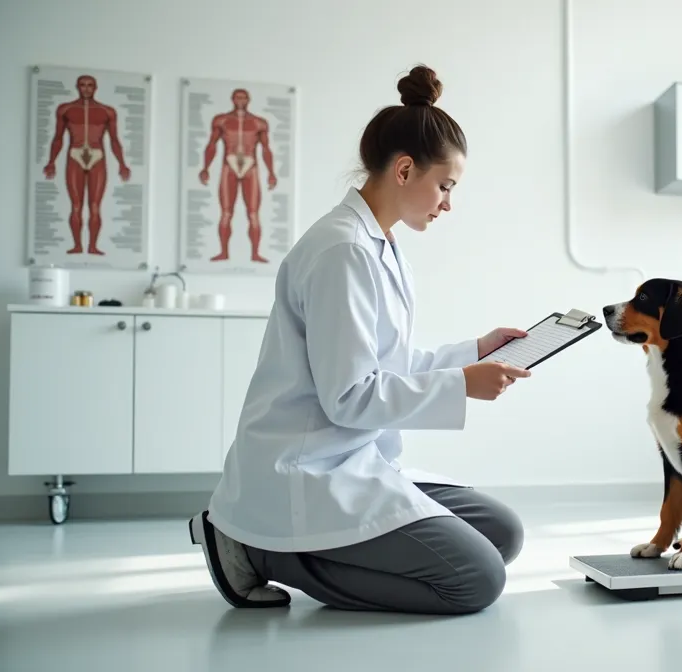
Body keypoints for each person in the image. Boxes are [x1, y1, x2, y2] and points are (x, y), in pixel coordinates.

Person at [188, 64, 532, 615]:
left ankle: (291, 545)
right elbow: (349, 397)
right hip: (303, 469)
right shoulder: (343, 251)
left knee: (503, 533)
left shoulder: (381, 245)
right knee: (475, 581)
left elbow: (389, 363)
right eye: (445, 186)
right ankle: (258, 550)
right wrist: (460, 386)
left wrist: (474, 353)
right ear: (403, 169)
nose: (448, 203)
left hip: (352, 455)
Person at [43, 74, 131, 256]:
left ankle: (92, 246)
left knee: (95, 206)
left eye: (90, 85)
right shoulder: (65, 109)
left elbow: (114, 140)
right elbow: (57, 138)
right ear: (77, 87)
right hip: (74, 155)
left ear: (95, 87)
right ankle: (77, 245)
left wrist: (122, 163)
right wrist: (51, 161)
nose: (86, 88)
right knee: (75, 205)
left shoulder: (107, 111)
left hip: (97, 156)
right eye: (82, 85)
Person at [198, 87, 276, 264]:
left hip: (251, 167)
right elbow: (212, 145)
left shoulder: (259, 123)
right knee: (226, 213)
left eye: (244, 98)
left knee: (254, 214)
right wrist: (205, 168)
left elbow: (266, 149)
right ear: (232, 99)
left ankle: (255, 253)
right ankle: (224, 252)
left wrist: (271, 172)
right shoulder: (222, 120)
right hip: (229, 166)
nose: (240, 101)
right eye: (237, 97)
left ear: (248, 100)